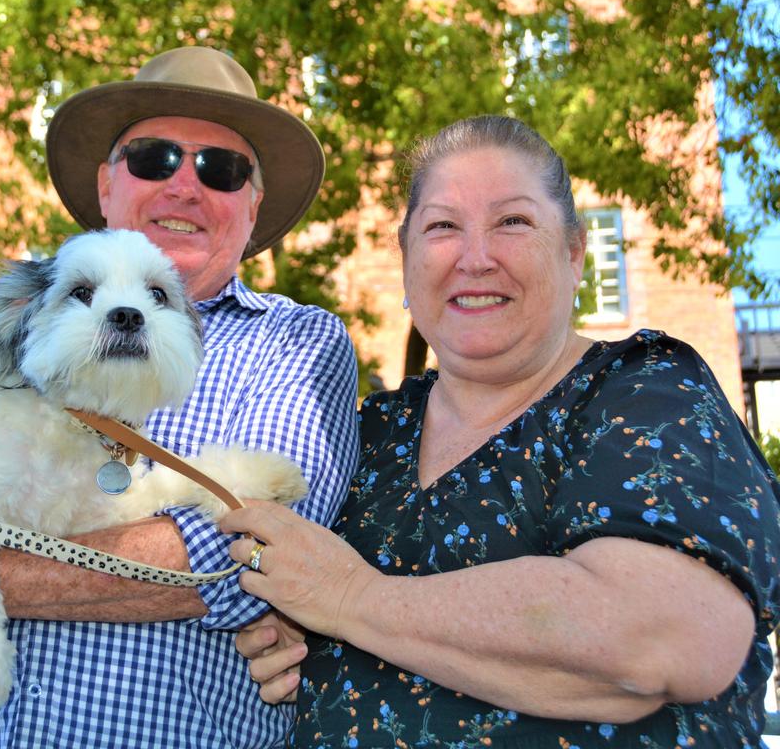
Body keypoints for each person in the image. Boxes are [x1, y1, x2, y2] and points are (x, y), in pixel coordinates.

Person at [0, 47, 360, 748]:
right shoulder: (0, 332)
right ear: (108, 186)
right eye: (153, 158)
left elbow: (244, 557)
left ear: (252, 205)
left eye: (221, 169)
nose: (185, 185)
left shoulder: (296, 340)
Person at [221, 115, 780, 747]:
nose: (476, 257)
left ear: (573, 255)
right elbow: (299, 588)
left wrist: (353, 601)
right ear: (405, 259)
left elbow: (667, 635)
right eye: (442, 227)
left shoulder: (647, 390)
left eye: (512, 222)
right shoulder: (365, 433)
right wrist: (298, 634)